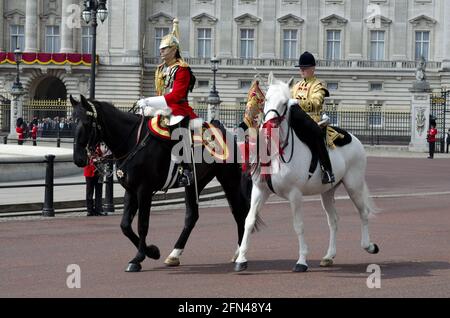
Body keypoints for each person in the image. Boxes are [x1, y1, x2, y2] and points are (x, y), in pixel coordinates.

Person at [137, 18, 197, 187]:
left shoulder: (182, 69)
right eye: (161, 49)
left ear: (174, 49)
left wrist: (149, 100)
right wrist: (149, 104)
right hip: (163, 106)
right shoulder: (161, 69)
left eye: (165, 49)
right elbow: (160, 92)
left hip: (178, 108)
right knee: (137, 118)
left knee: (178, 129)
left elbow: (177, 95)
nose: (161, 51)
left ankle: (186, 169)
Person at [289, 51, 335, 184]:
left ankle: (327, 170)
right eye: (301, 68)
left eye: (305, 68)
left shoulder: (318, 85)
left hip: (312, 120)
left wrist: (297, 103)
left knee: (317, 137)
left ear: (313, 68)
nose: (302, 70)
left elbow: (315, 103)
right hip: (295, 120)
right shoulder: (295, 86)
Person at [84, 144, 107, 216]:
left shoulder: (101, 145)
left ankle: (98, 209)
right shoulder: (87, 146)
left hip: (99, 171)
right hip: (90, 171)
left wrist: (103, 157)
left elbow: (105, 156)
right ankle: (90, 210)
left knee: (99, 191)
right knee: (89, 192)